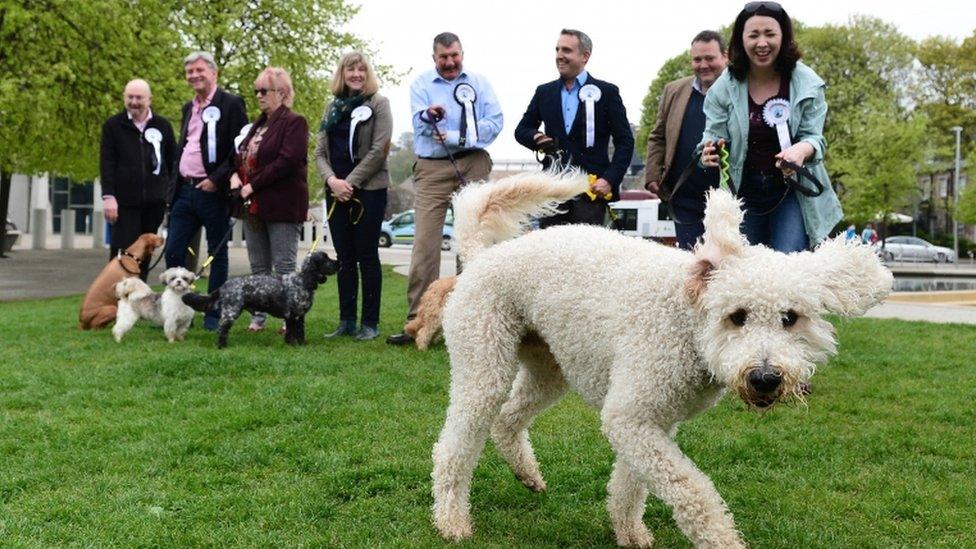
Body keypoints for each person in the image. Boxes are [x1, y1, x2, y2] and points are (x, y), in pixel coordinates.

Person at [386, 32, 503, 346]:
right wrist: (430, 115)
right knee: (425, 245)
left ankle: (471, 322)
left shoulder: (479, 83)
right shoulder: (421, 84)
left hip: (473, 162)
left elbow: (495, 122)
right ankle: (418, 321)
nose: (450, 62)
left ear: (462, 53)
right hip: (432, 167)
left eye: (454, 56)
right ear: (433, 57)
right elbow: (419, 122)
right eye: (443, 57)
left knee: (473, 241)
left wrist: (456, 135)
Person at [701, 1, 842, 252]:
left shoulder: (808, 83)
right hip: (741, 194)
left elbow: (815, 138)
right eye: (753, 35)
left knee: (788, 265)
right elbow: (712, 133)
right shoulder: (725, 85)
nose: (762, 43)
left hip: (791, 192)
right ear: (741, 39)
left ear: (783, 37)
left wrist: (801, 150)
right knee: (741, 271)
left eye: (770, 34)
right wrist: (708, 150)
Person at [514, 29, 634, 227]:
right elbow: (522, 130)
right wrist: (536, 137)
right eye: (557, 49)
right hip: (552, 192)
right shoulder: (544, 92)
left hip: (590, 192)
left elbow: (625, 142)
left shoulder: (607, 92)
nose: (559, 56)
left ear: (585, 56)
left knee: (586, 256)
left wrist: (609, 179)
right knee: (550, 254)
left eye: (567, 50)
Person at [165, 51, 248, 330]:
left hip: (213, 191)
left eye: (199, 70)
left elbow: (239, 149)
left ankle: (214, 314)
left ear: (214, 73)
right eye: (189, 71)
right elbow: (185, 147)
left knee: (217, 253)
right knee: (173, 249)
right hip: (184, 192)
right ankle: (178, 311)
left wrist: (217, 178)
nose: (194, 75)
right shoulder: (189, 107)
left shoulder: (231, 103)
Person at [315, 52, 392, 341]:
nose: (356, 74)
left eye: (361, 69)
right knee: (345, 258)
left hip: (368, 190)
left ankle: (369, 322)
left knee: (367, 256)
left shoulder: (379, 104)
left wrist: (350, 182)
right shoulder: (331, 107)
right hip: (336, 191)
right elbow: (320, 152)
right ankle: (346, 320)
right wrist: (333, 181)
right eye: (351, 70)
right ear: (342, 74)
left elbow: (379, 149)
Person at [230, 67, 309, 333]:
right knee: (258, 266)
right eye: (256, 91)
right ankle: (259, 316)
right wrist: (235, 176)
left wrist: (252, 185)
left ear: (283, 93)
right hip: (253, 205)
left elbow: (287, 161)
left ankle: (290, 318)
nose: (259, 96)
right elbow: (242, 155)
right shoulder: (258, 124)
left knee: (284, 265)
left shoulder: (295, 122)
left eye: (264, 91)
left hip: (282, 204)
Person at [644, 31, 728, 250]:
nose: (703, 65)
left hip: (727, 199)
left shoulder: (739, 90)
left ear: (725, 57)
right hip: (685, 197)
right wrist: (652, 174)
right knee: (690, 266)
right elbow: (658, 135)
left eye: (710, 58)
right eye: (697, 59)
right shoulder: (673, 90)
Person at [99, 79, 176, 278]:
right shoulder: (113, 126)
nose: (134, 102)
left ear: (149, 99)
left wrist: (169, 195)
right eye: (130, 97)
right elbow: (107, 164)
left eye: (139, 97)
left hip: (154, 204)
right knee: (122, 253)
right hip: (124, 204)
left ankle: (139, 299)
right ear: (124, 98)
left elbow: (173, 162)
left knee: (145, 255)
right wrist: (108, 196)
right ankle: (116, 299)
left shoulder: (163, 126)